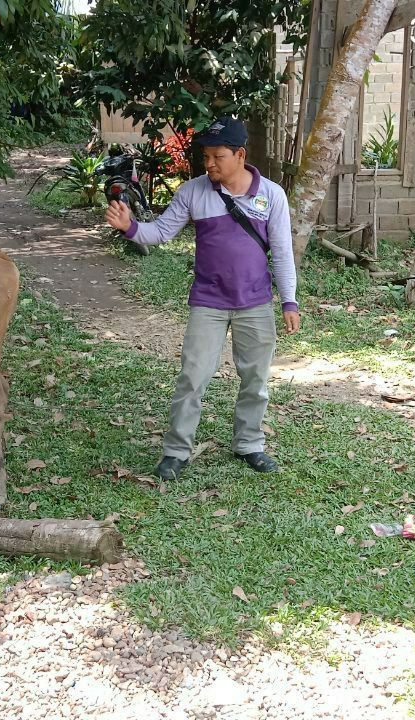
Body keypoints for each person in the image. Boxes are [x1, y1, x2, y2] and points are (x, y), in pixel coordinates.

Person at [104, 117, 300, 481]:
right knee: (192, 378)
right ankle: (176, 451)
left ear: (240, 155)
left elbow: (282, 251)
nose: (209, 163)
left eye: (217, 156)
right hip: (208, 301)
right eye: (205, 156)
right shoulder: (193, 192)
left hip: (255, 302)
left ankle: (249, 444)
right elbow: (161, 232)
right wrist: (130, 227)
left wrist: (289, 301)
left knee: (256, 378)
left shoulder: (271, 195)